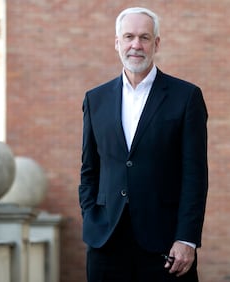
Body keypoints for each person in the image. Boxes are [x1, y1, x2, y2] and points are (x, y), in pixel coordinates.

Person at [79, 7, 208, 282]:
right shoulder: (95, 99)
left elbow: (195, 176)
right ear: (117, 43)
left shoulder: (186, 97)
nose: (136, 45)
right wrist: (91, 217)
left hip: (166, 246)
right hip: (106, 244)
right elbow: (89, 169)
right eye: (128, 37)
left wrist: (187, 238)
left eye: (144, 37)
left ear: (156, 44)